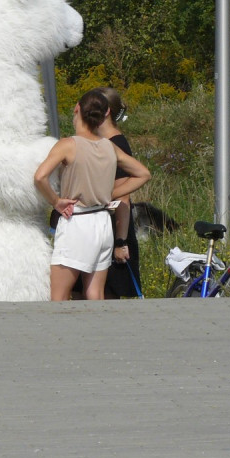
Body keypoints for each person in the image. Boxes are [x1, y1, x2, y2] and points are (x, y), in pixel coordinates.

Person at [34, 89, 151, 301]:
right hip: (102, 223)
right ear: (105, 112)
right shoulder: (109, 146)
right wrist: (109, 194)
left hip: (77, 221)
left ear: (77, 108)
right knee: (95, 294)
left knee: (59, 297)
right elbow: (143, 173)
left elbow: (40, 177)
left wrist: (56, 201)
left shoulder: (68, 145)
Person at [94, 86, 142, 299]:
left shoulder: (117, 144)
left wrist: (120, 242)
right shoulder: (98, 143)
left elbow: (123, 196)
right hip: (98, 227)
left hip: (114, 230)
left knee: (109, 294)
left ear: (105, 112)